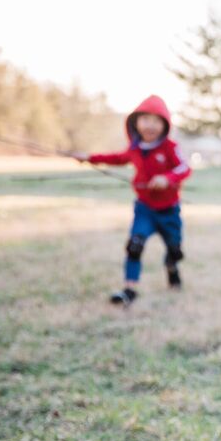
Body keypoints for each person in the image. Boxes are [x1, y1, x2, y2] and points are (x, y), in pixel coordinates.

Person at [72, 95, 191, 306]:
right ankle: (129, 289)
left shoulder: (170, 148)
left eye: (156, 120)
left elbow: (184, 168)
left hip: (169, 211)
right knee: (135, 245)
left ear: (165, 124)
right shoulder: (135, 149)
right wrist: (89, 157)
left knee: (175, 249)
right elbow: (116, 158)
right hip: (144, 209)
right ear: (135, 122)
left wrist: (167, 178)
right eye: (145, 119)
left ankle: (172, 269)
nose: (150, 125)